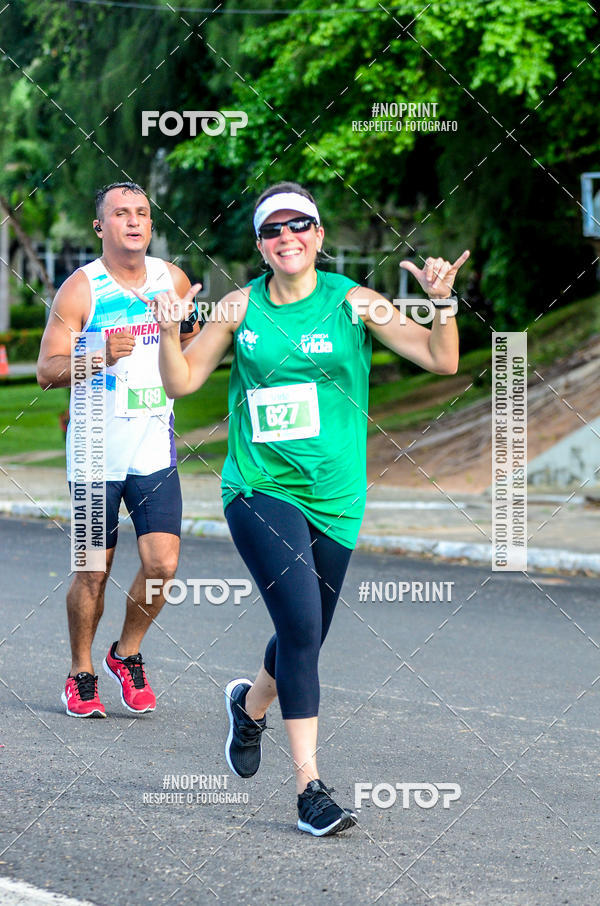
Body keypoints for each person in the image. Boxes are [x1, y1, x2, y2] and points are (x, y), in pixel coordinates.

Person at [139, 181, 469, 835]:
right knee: (299, 628)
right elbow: (181, 382)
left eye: (300, 226)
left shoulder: (353, 303)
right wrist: (170, 332)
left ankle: (250, 708)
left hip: (338, 497)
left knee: (309, 632)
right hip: (260, 489)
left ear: (318, 236)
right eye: (273, 230)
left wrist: (443, 304)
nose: (287, 237)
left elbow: (442, 358)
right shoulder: (240, 307)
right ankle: (309, 790)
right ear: (261, 246)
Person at [36, 181, 200, 718]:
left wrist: (181, 336)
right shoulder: (81, 290)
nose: (133, 221)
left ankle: (125, 652)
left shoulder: (169, 280)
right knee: (91, 571)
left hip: (152, 446)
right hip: (93, 452)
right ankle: (80, 671)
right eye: (120, 213)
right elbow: (45, 372)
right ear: (99, 226)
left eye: (142, 214)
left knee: (163, 563)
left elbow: (191, 349)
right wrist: (99, 355)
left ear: (151, 226)